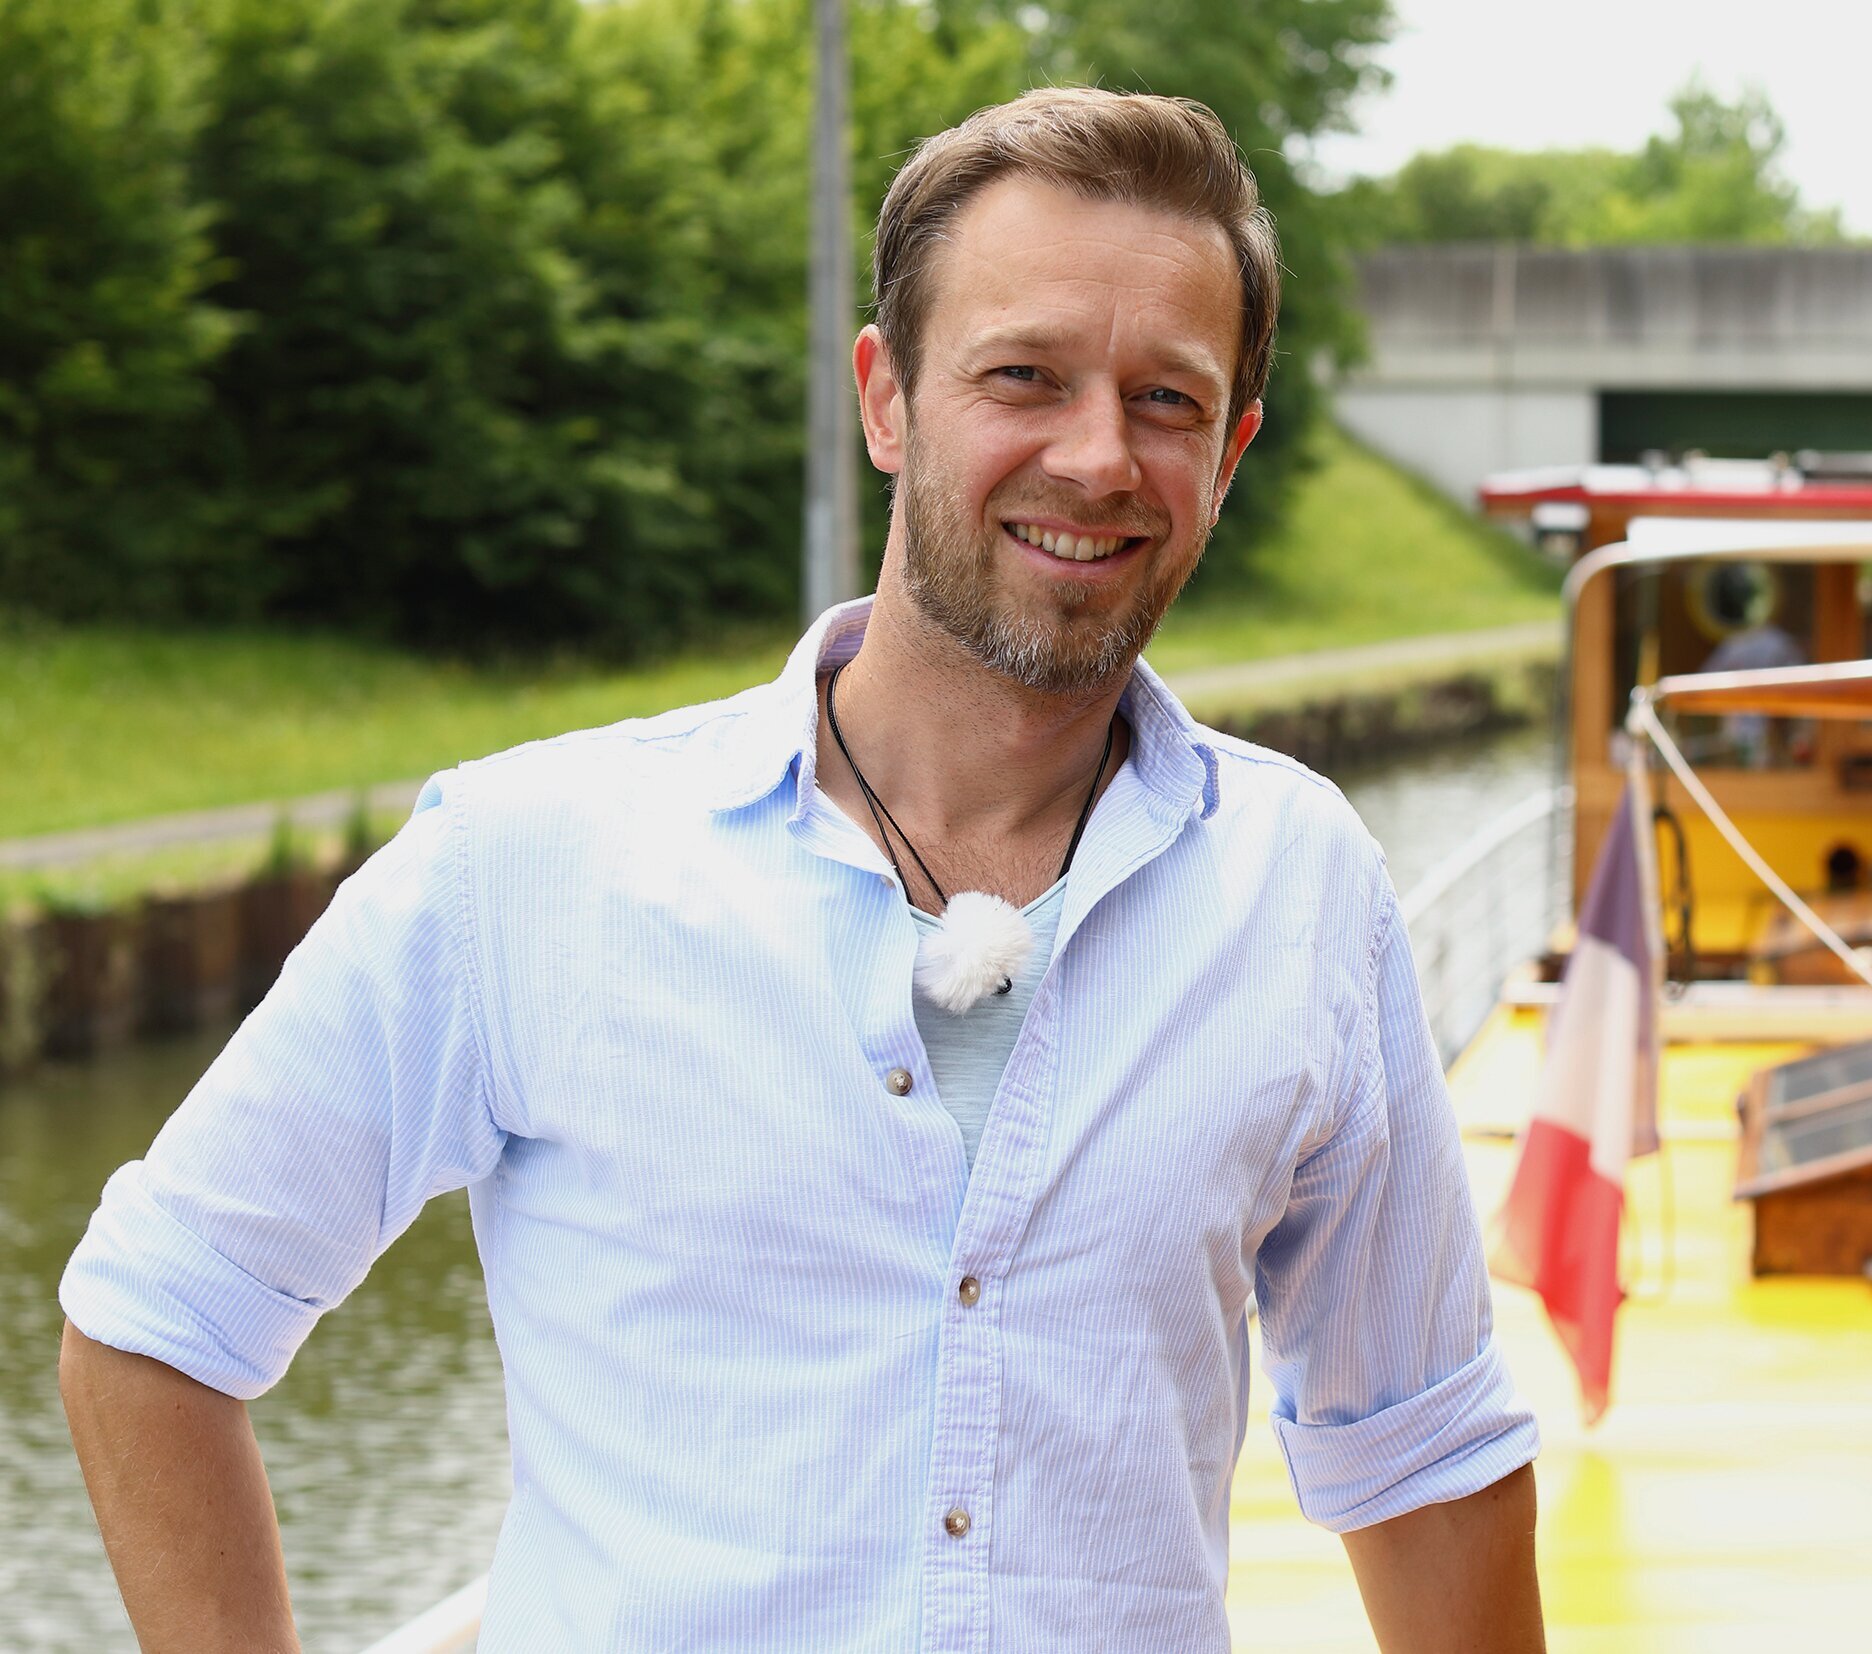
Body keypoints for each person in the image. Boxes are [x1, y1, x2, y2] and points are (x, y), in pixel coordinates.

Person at [58, 88, 1544, 1652]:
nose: (1098, 456)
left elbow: (1422, 1453)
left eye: (1165, 400)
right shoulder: (526, 862)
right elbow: (157, 1322)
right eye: (1023, 377)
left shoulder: (1301, 887)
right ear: (886, 400)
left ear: (1229, 452)